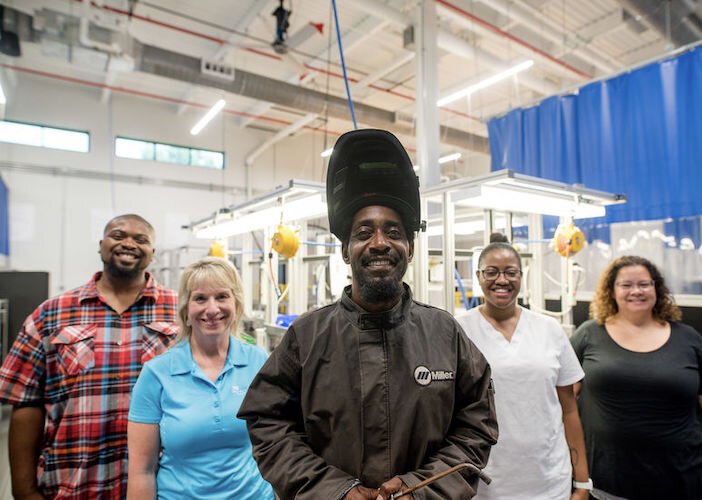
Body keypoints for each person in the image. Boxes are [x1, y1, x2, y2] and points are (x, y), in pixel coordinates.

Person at [238, 129, 498, 500]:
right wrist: (335, 490)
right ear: (346, 251)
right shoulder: (306, 337)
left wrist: (420, 489)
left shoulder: (445, 334)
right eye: (364, 232)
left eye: (393, 232)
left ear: (409, 248)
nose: (379, 242)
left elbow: (478, 424)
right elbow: (268, 423)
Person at [0, 214, 178, 499]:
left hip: (163, 485)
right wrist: (24, 491)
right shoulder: (52, 313)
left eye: (141, 239)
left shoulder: (180, 311)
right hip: (74, 484)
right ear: (101, 245)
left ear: (152, 253)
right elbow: (25, 403)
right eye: (118, 236)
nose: (128, 243)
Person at [571, 255, 702, 500]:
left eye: (644, 284)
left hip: (687, 480)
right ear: (611, 291)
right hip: (610, 484)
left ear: (657, 288)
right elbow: (565, 406)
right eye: (626, 285)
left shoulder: (689, 339)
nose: (636, 291)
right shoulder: (588, 336)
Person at [457, 233, 591, 500]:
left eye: (510, 272)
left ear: (521, 275)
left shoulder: (549, 329)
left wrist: (583, 482)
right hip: (485, 483)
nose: (502, 280)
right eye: (491, 272)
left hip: (550, 480)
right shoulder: (458, 330)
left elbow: (569, 411)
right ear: (479, 275)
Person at [127, 257, 273, 499]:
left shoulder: (258, 361)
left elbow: (276, 444)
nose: (212, 309)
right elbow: (142, 470)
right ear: (186, 309)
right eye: (200, 298)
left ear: (236, 304)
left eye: (222, 297)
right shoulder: (157, 374)